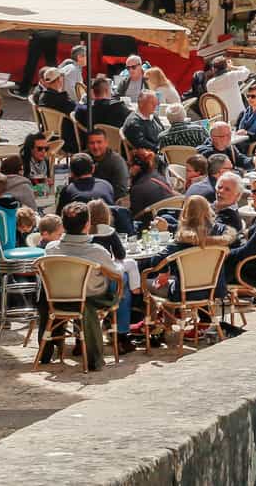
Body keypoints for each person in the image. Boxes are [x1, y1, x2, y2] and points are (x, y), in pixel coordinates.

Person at [45, 202, 129, 367]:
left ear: (63, 225)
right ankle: (122, 333)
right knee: (123, 276)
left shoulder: (51, 249)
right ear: (87, 225)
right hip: (92, 297)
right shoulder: (96, 251)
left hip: (59, 299)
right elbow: (116, 273)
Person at [83, 128, 130, 202]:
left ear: (106, 143)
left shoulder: (117, 162)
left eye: (99, 142)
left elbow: (120, 191)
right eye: (92, 143)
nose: (95, 147)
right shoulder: (84, 158)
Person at [126, 150, 175, 218]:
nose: (129, 169)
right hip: (170, 215)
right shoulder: (160, 177)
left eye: (129, 165)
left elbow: (135, 215)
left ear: (136, 167)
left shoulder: (137, 189)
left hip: (152, 222)